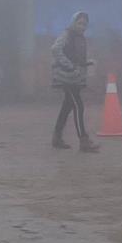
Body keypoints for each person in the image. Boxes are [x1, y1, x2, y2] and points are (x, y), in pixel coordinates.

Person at [51, 11, 99, 153]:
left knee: (67, 106)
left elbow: (76, 56)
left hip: (74, 77)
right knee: (78, 106)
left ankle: (57, 137)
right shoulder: (67, 35)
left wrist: (85, 63)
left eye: (84, 24)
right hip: (66, 77)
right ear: (73, 22)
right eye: (79, 23)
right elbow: (55, 49)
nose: (82, 26)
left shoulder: (79, 37)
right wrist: (69, 65)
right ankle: (83, 140)